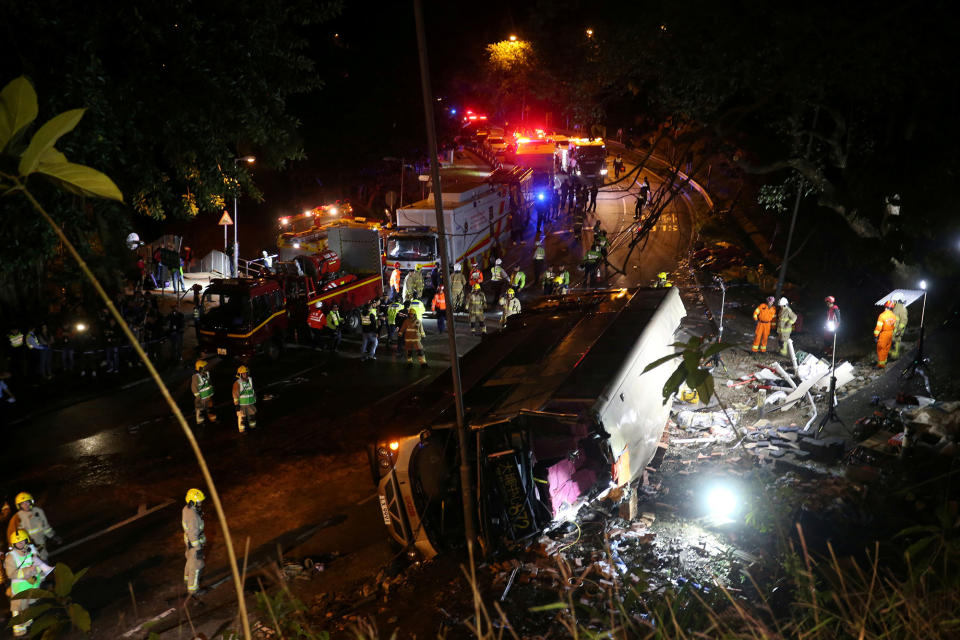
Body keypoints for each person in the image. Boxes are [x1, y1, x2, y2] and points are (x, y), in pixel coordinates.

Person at [5, 530, 53, 637]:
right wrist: (28, 571)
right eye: (18, 543)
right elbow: (11, 574)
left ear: (27, 540)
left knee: (29, 608)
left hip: (31, 585)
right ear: (13, 544)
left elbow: (37, 565)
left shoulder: (31, 551)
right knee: (17, 609)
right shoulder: (11, 557)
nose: (20, 544)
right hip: (19, 589)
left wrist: (41, 574)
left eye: (23, 541)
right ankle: (19, 630)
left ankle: (28, 623)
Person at [6, 493, 60, 562]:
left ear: (31, 502)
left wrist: (53, 536)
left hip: (41, 547)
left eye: (27, 502)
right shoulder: (16, 519)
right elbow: (12, 537)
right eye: (22, 503)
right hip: (26, 551)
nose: (25, 505)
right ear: (19, 505)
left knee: (45, 566)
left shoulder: (38, 512)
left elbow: (46, 527)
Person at [182, 488, 206, 599]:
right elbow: (193, 534)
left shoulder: (186, 510)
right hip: (194, 543)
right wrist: (198, 548)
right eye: (199, 501)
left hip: (188, 541)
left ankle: (187, 579)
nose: (201, 503)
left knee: (190, 559)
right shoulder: (193, 516)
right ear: (192, 502)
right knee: (196, 565)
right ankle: (193, 590)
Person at [191, 360, 217, 426]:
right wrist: (198, 395)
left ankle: (213, 418)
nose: (206, 367)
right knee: (200, 409)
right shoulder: (196, 377)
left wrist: (211, 391)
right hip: (202, 397)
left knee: (210, 408)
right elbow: (193, 387)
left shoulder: (207, 373)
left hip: (208, 395)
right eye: (204, 367)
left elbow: (209, 383)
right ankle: (200, 421)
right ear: (200, 368)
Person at [232, 365, 256, 432]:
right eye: (243, 373)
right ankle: (242, 431)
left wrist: (254, 398)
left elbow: (252, 390)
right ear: (240, 374)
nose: (245, 374)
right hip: (242, 405)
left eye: (245, 372)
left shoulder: (250, 379)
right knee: (242, 419)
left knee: (252, 417)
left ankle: (253, 427)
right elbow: (235, 395)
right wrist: (237, 406)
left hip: (250, 403)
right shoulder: (237, 383)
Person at [874, 300, 898, 368]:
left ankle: (881, 365)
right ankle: (884, 361)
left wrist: (876, 336)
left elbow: (878, 327)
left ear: (885, 307)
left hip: (884, 334)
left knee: (881, 349)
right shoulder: (893, 316)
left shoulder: (882, 315)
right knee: (886, 348)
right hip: (891, 333)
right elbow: (894, 326)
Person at [890, 292, 909, 360]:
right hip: (893, 330)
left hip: (897, 331)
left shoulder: (902, 309)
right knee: (892, 342)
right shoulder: (895, 308)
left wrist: (899, 330)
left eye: (894, 301)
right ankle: (892, 355)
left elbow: (904, 320)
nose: (893, 302)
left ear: (898, 300)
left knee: (896, 342)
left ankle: (895, 356)